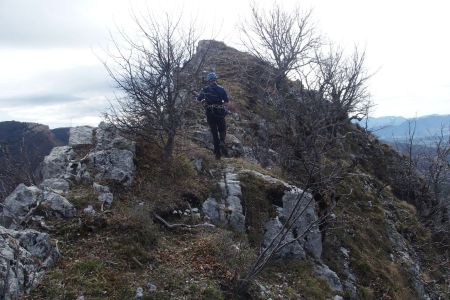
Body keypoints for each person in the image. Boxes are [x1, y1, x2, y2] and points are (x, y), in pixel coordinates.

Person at [197, 72, 229, 159]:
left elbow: (199, 99)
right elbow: (226, 101)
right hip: (220, 111)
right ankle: (222, 141)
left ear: (209, 80)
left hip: (210, 112)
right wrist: (223, 105)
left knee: (214, 132)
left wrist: (204, 101)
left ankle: (217, 153)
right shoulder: (221, 89)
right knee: (222, 128)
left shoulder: (205, 89)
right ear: (215, 79)